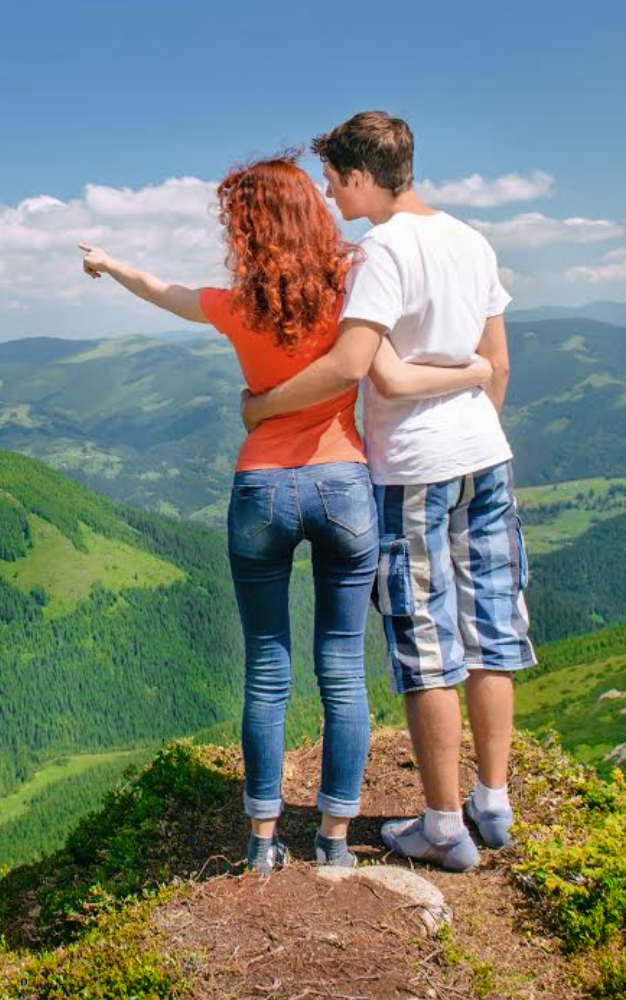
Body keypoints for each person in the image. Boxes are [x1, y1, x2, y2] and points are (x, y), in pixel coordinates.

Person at [80, 153, 491, 873]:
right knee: (341, 666)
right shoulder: (352, 285)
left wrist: (109, 264)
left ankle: (263, 841)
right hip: (344, 485)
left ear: (245, 231)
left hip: (262, 489)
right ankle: (333, 841)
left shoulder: (238, 306)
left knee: (267, 668)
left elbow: (164, 291)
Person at [242, 112, 535, 873]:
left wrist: (263, 405)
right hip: (486, 456)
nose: (333, 195)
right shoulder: (472, 241)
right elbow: (495, 363)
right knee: (491, 623)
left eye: (337, 180)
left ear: (364, 176)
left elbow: (354, 366)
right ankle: (492, 799)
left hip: (414, 467)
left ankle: (442, 824)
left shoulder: (381, 251)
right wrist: (472, 411)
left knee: (427, 642)